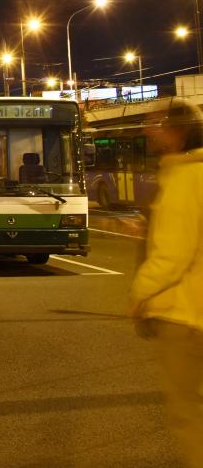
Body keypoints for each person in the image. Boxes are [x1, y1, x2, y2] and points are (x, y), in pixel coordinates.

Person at [129, 103, 203, 468]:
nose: (148, 131)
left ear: (176, 133)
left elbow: (172, 255)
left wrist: (140, 293)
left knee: (189, 415)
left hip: (186, 317)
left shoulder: (184, 178)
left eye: (155, 124)